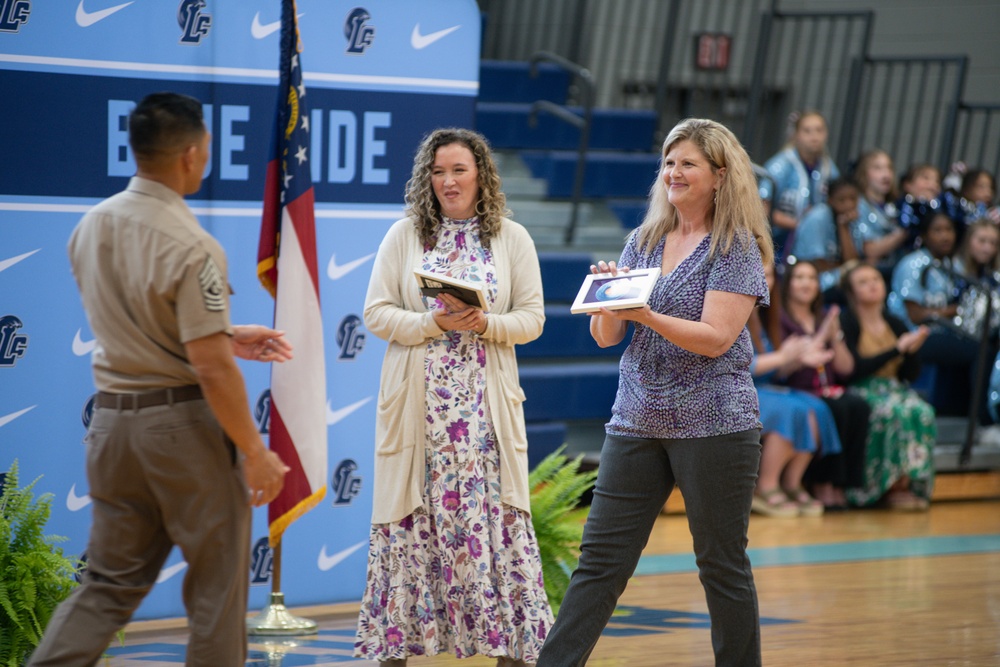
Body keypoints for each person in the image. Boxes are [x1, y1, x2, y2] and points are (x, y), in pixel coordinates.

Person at [28, 92, 291, 666]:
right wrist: (254, 450)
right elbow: (209, 365)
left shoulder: (90, 225)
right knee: (218, 592)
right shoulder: (194, 244)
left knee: (106, 585)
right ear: (192, 155)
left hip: (112, 427)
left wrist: (224, 333)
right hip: (182, 432)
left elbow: (143, 324)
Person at [537, 118, 773, 666]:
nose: (674, 172)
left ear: (719, 175)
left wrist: (646, 312)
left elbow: (716, 339)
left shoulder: (736, 246)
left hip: (715, 422)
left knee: (721, 564)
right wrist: (606, 305)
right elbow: (608, 337)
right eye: (669, 162)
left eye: (687, 163)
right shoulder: (641, 241)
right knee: (599, 562)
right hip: (637, 418)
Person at [355, 128, 552, 667]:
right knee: (407, 525)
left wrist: (486, 321)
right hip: (419, 416)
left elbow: (532, 319)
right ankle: (398, 649)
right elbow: (375, 313)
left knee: (494, 521)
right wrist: (431, 323)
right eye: (438, 172)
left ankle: (509, 648)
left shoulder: (512, 238)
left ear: (481, 175)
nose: (448, 181)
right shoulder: (403, 236)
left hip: (485, 421)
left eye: (459, 170)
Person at [839, 261, 936, 510]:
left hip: (894, 387)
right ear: (851, 292)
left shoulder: (895, 322)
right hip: (862, 387)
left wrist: (912, 353)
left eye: (876, 280)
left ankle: (908, 483)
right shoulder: (846, 322)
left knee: (922, 411)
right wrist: (897, 349)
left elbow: (909, 375)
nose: (872, 285)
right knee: (889, 412)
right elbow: (854, 370)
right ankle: (882, 486)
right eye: (863, 282)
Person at [748, 263, 840, 518]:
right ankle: (765, 485)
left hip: (762, 387)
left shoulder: (762, 314)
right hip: (731, 389)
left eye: (767, 275)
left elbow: (773, 368)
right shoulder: (733, 309)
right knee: (790, 410)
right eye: (758, 273)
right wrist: (783, 357)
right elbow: (738, 364)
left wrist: (798, 359)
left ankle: (791, 482)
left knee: (816, 408)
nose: (763, 280)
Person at [778, 259, 869, 510]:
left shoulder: (823, 317)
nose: (807, 283)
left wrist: (835, 336)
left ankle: (844, 484)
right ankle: (821, 482)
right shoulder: (782, 319)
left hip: (828, 386)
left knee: (858, 406)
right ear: (788, 285)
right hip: (797, 387)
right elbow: (781, 369)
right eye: (799, 278)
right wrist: (821, 337)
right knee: (834, 410)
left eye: (812, 278)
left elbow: (845, 368)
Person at [887, 211, 981, 418]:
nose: (945, 236)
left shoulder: (950, 264)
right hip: (913, 334)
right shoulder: (913, 264)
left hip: (941, 331)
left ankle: (954, 411)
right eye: (938, 230)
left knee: (977, 344)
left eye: (949, 230)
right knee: (979, 351)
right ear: (925, 235)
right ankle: (979, 420)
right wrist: (952, 310)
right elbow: (915, 315)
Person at [763, 110, 840, 258]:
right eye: (807, 131)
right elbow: (762, 208)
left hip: (819, 239)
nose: (814, 137)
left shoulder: (828, 167)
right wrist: (803, 225)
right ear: (796, 134)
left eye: (819, 130)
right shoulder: (780, 165)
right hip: (779, 241)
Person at [789, 176, 862, 302]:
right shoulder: (818, 217)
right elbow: (816, 264)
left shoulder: (852, 220)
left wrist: (843, 227)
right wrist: (843, 267)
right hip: (815, 279)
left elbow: (852, 261)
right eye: (842, 200)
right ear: (830, 200)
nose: (849, 204)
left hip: (839, 277)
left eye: (853, 199)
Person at [850, 149, 908, 276]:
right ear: (864, 173)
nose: (886, 174)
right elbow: (869, 250)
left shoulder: (897, 205)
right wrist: (903, 233)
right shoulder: (858, 205)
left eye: (889, 168)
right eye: (877, 168)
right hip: (869, 273)